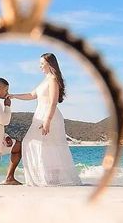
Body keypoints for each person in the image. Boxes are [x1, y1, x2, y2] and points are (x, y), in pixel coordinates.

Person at [8, 53, 82, 186]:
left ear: (50, 64)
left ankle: (49, 179)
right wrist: (14, 96)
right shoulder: (45, 80)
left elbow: (53, 102)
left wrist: (47, 120)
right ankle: (44, 178)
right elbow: (31, 95)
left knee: (48, 146)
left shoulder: (53, 79)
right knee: (33, 144)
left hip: (50, 116)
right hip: (40, 116)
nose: (40, 66)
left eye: (42, 63)